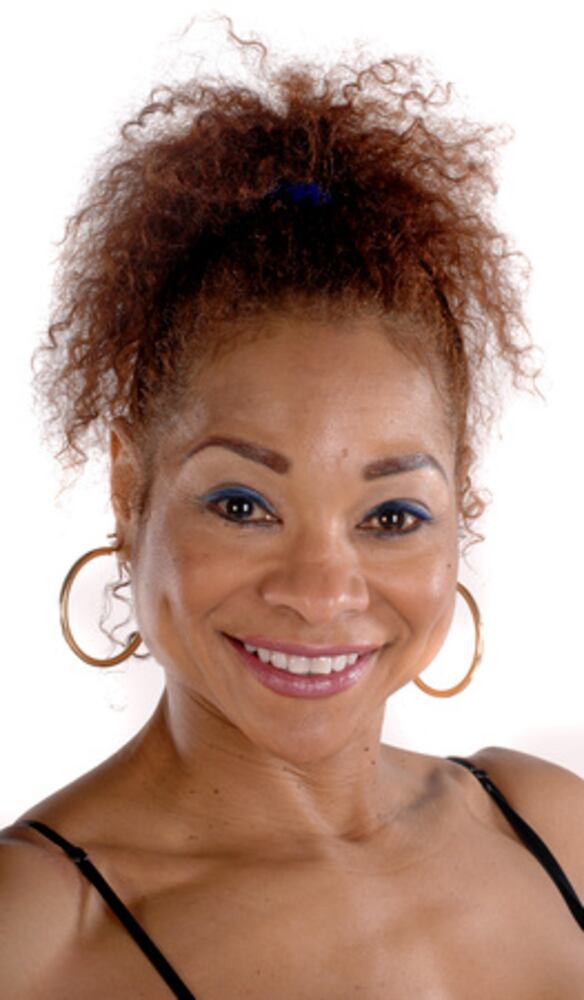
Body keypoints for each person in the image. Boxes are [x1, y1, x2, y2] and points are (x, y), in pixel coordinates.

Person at [1, 23, 583, 998]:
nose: (320, 591)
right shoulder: (33, 934)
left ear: (461, 508)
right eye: (242, 503)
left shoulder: (553, 832)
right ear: (128, 491)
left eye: (390, 515)